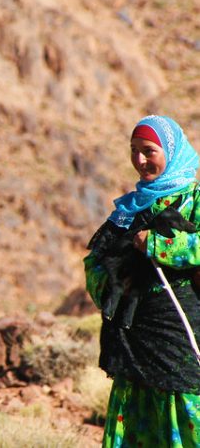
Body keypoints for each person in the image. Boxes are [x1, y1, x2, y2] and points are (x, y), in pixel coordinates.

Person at [84, 115, 200, 447]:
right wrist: (112, 287)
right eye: (133, 151)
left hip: (182, 334)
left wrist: (159, 244)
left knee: (187, 416)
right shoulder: (127, 210)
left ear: (171, 151)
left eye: (149, 151)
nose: (140, 160)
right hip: (135, 335)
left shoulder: (194, 199)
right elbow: (95, 261)